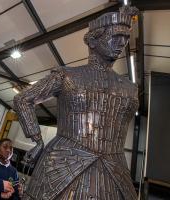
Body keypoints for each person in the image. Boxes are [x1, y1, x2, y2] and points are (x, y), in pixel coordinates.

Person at [13, 6, 139, 200]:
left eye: (126, 38)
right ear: (93, 40)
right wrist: (37, 139)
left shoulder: (130, 87)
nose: (122, 43)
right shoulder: (67, 76)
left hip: (114, 172)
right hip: (63, 164)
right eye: (115, 36)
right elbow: (23, 98)